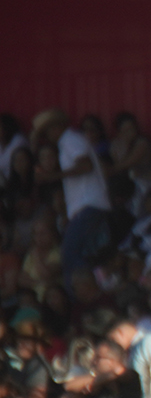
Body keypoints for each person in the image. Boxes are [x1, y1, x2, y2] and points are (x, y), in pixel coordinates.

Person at [31, 109, 112, 280]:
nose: (48, 135)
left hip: (89, 204)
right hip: (88, 206)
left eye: (48, 130)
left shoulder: (70, 140)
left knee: (69, 254)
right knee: (87, 255)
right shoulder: (70, 142)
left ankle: (84, 294)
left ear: (56, 127)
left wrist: (50, 176)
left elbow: (85, 166)